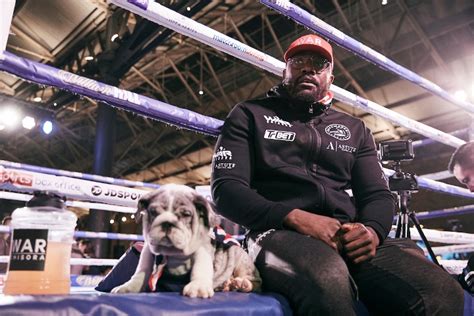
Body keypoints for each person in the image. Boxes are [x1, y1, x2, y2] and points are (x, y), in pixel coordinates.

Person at [211, 34, 464, 315]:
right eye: (299, 61)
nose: (308, 68)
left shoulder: (355, 129)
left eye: (318, 64)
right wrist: (295, 217)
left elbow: (378, 194)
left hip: (344, 233)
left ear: (330, 78)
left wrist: (372, 231)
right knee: (327, 277)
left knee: (442, 291)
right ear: (286, 71)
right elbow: (226, 189)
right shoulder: (250, 114)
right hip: (275, 230)